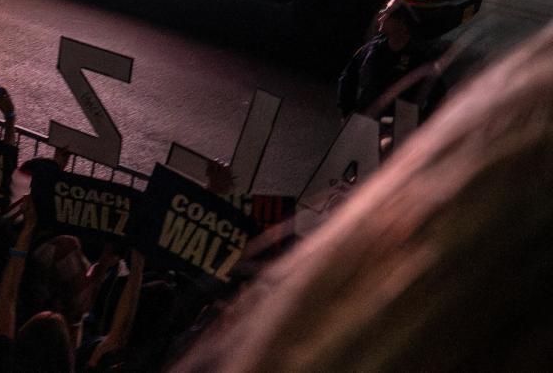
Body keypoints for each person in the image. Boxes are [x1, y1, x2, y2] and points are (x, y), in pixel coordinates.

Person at [174, 21, 553, 373]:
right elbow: (349, 81)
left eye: (391, 16)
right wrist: (349, 114)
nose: (384, 19)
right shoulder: (371, 53)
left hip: (391, 142)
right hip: (368, 137)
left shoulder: (419, 62)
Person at [336, 0, 447, 122]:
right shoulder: (371, 50)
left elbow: (438, 95)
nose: (381, 16)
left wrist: (420, 123)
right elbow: (348, 78)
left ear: (402, 23)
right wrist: (347, 112)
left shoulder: (419, 58)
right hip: (367, 124)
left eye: (387, 13)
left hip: (400, 128)